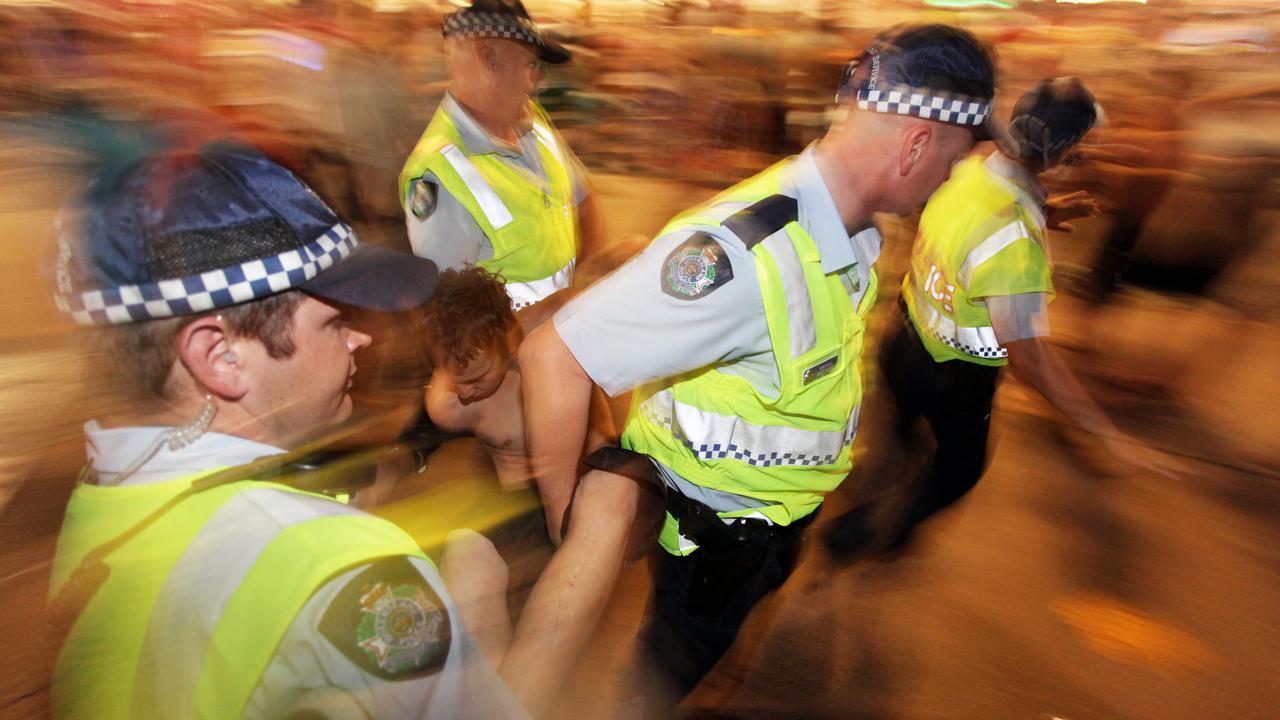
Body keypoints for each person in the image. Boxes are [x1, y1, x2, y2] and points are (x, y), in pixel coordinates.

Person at [518, 24, 1001, 709]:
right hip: (711, 551)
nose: (949, 181)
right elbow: (554, 356)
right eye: (951, 164)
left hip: (767, 536)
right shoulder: (740, 255)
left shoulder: (858, 227)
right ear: (918, 144)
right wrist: (572, 535)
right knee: (647, 695)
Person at [46, 142, 530, 719]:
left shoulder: (102, 492)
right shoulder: (341, 562)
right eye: (335, 319)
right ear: (219, 355)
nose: (361, 339)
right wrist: (485, 597)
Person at [825, 78, 1180, 560]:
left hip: (902, 339)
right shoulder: (1015, 244)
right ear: (1067, 152)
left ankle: (874, 480)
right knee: (958, 471)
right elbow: (1031, 358)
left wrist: (1044, 208)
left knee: (899, 433)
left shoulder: (969, 172)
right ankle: (854, 536)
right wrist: (1104, 433)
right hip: (955, 379)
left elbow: (977, 219)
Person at [398, 0, 603, 311]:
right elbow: (455, 326)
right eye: (532, 65)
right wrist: (556, 319)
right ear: (488, 58)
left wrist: (588, 293)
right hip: (516, 359)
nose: (539, 81)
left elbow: (584, 203)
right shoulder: (438, 174)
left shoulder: (532, 121)